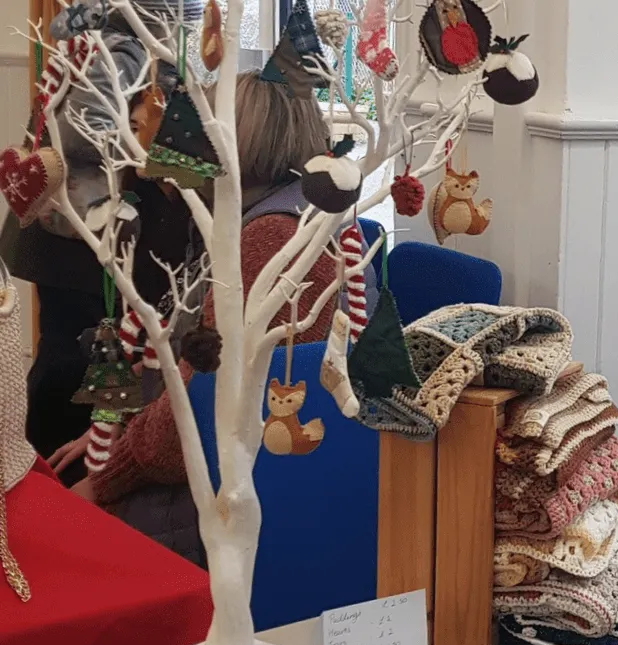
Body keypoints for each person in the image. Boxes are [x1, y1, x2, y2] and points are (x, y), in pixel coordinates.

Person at [75, 70, 372, 566]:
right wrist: (115, 428)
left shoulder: (267, 240)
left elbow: (201, 414)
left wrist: (105, 478)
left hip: (223, 502)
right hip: (242, 477)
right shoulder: (294, 212)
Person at [0, 0, 204, 464]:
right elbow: (82, 135)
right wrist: (142, 140)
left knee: (87, 365)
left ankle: (61, 473)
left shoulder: (126, 45)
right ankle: (55, 479)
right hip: (83, 238)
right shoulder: (117, 49)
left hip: (83, 236)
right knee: (76, 371)